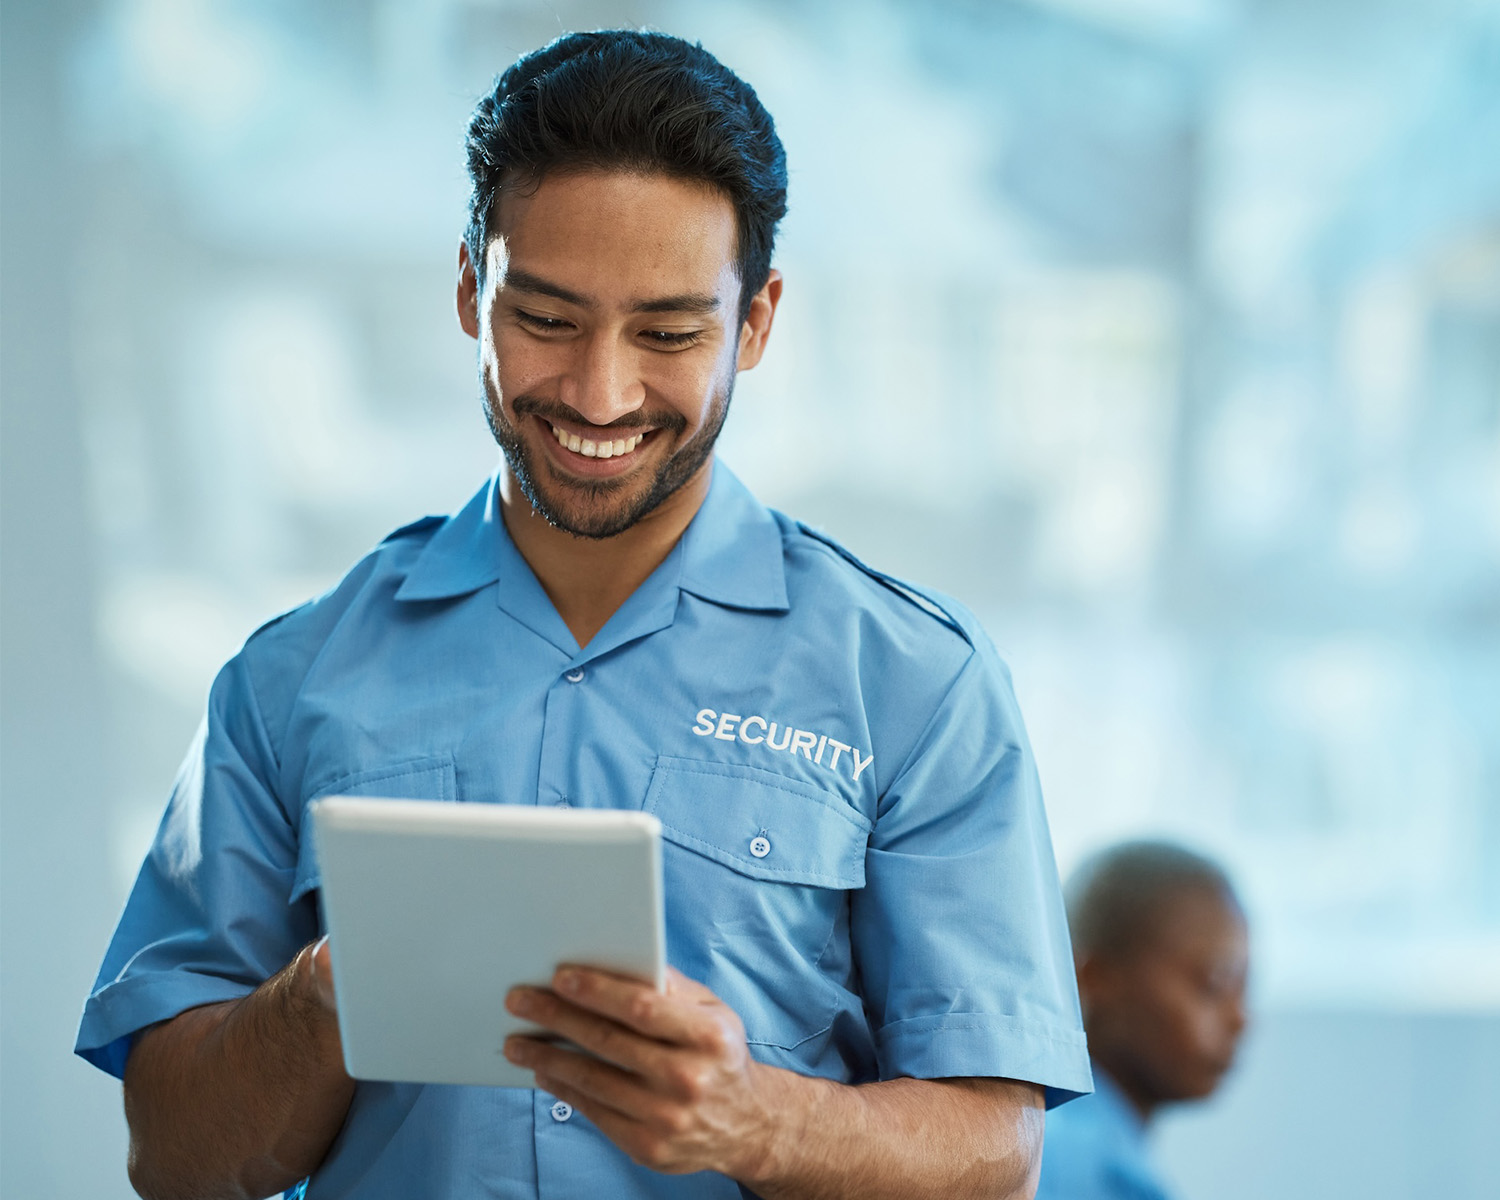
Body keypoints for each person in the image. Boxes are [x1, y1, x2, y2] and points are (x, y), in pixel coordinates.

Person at [76, 30, 1091, 1200]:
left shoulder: (919, 681)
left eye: (668, 334)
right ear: (470, 291)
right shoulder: (287, 677)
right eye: (546, 320)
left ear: (755, 323)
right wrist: (329, 993)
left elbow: (996, 1160)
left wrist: (753, 1119)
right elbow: (176, 1159)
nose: (600, 394)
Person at [1035, 841, 1250, 1200]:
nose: (1240, 1018)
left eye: (1243, 987)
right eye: (1214, 984)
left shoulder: (1053, 1138)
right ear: (1095, 979)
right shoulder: (1089, 1171)